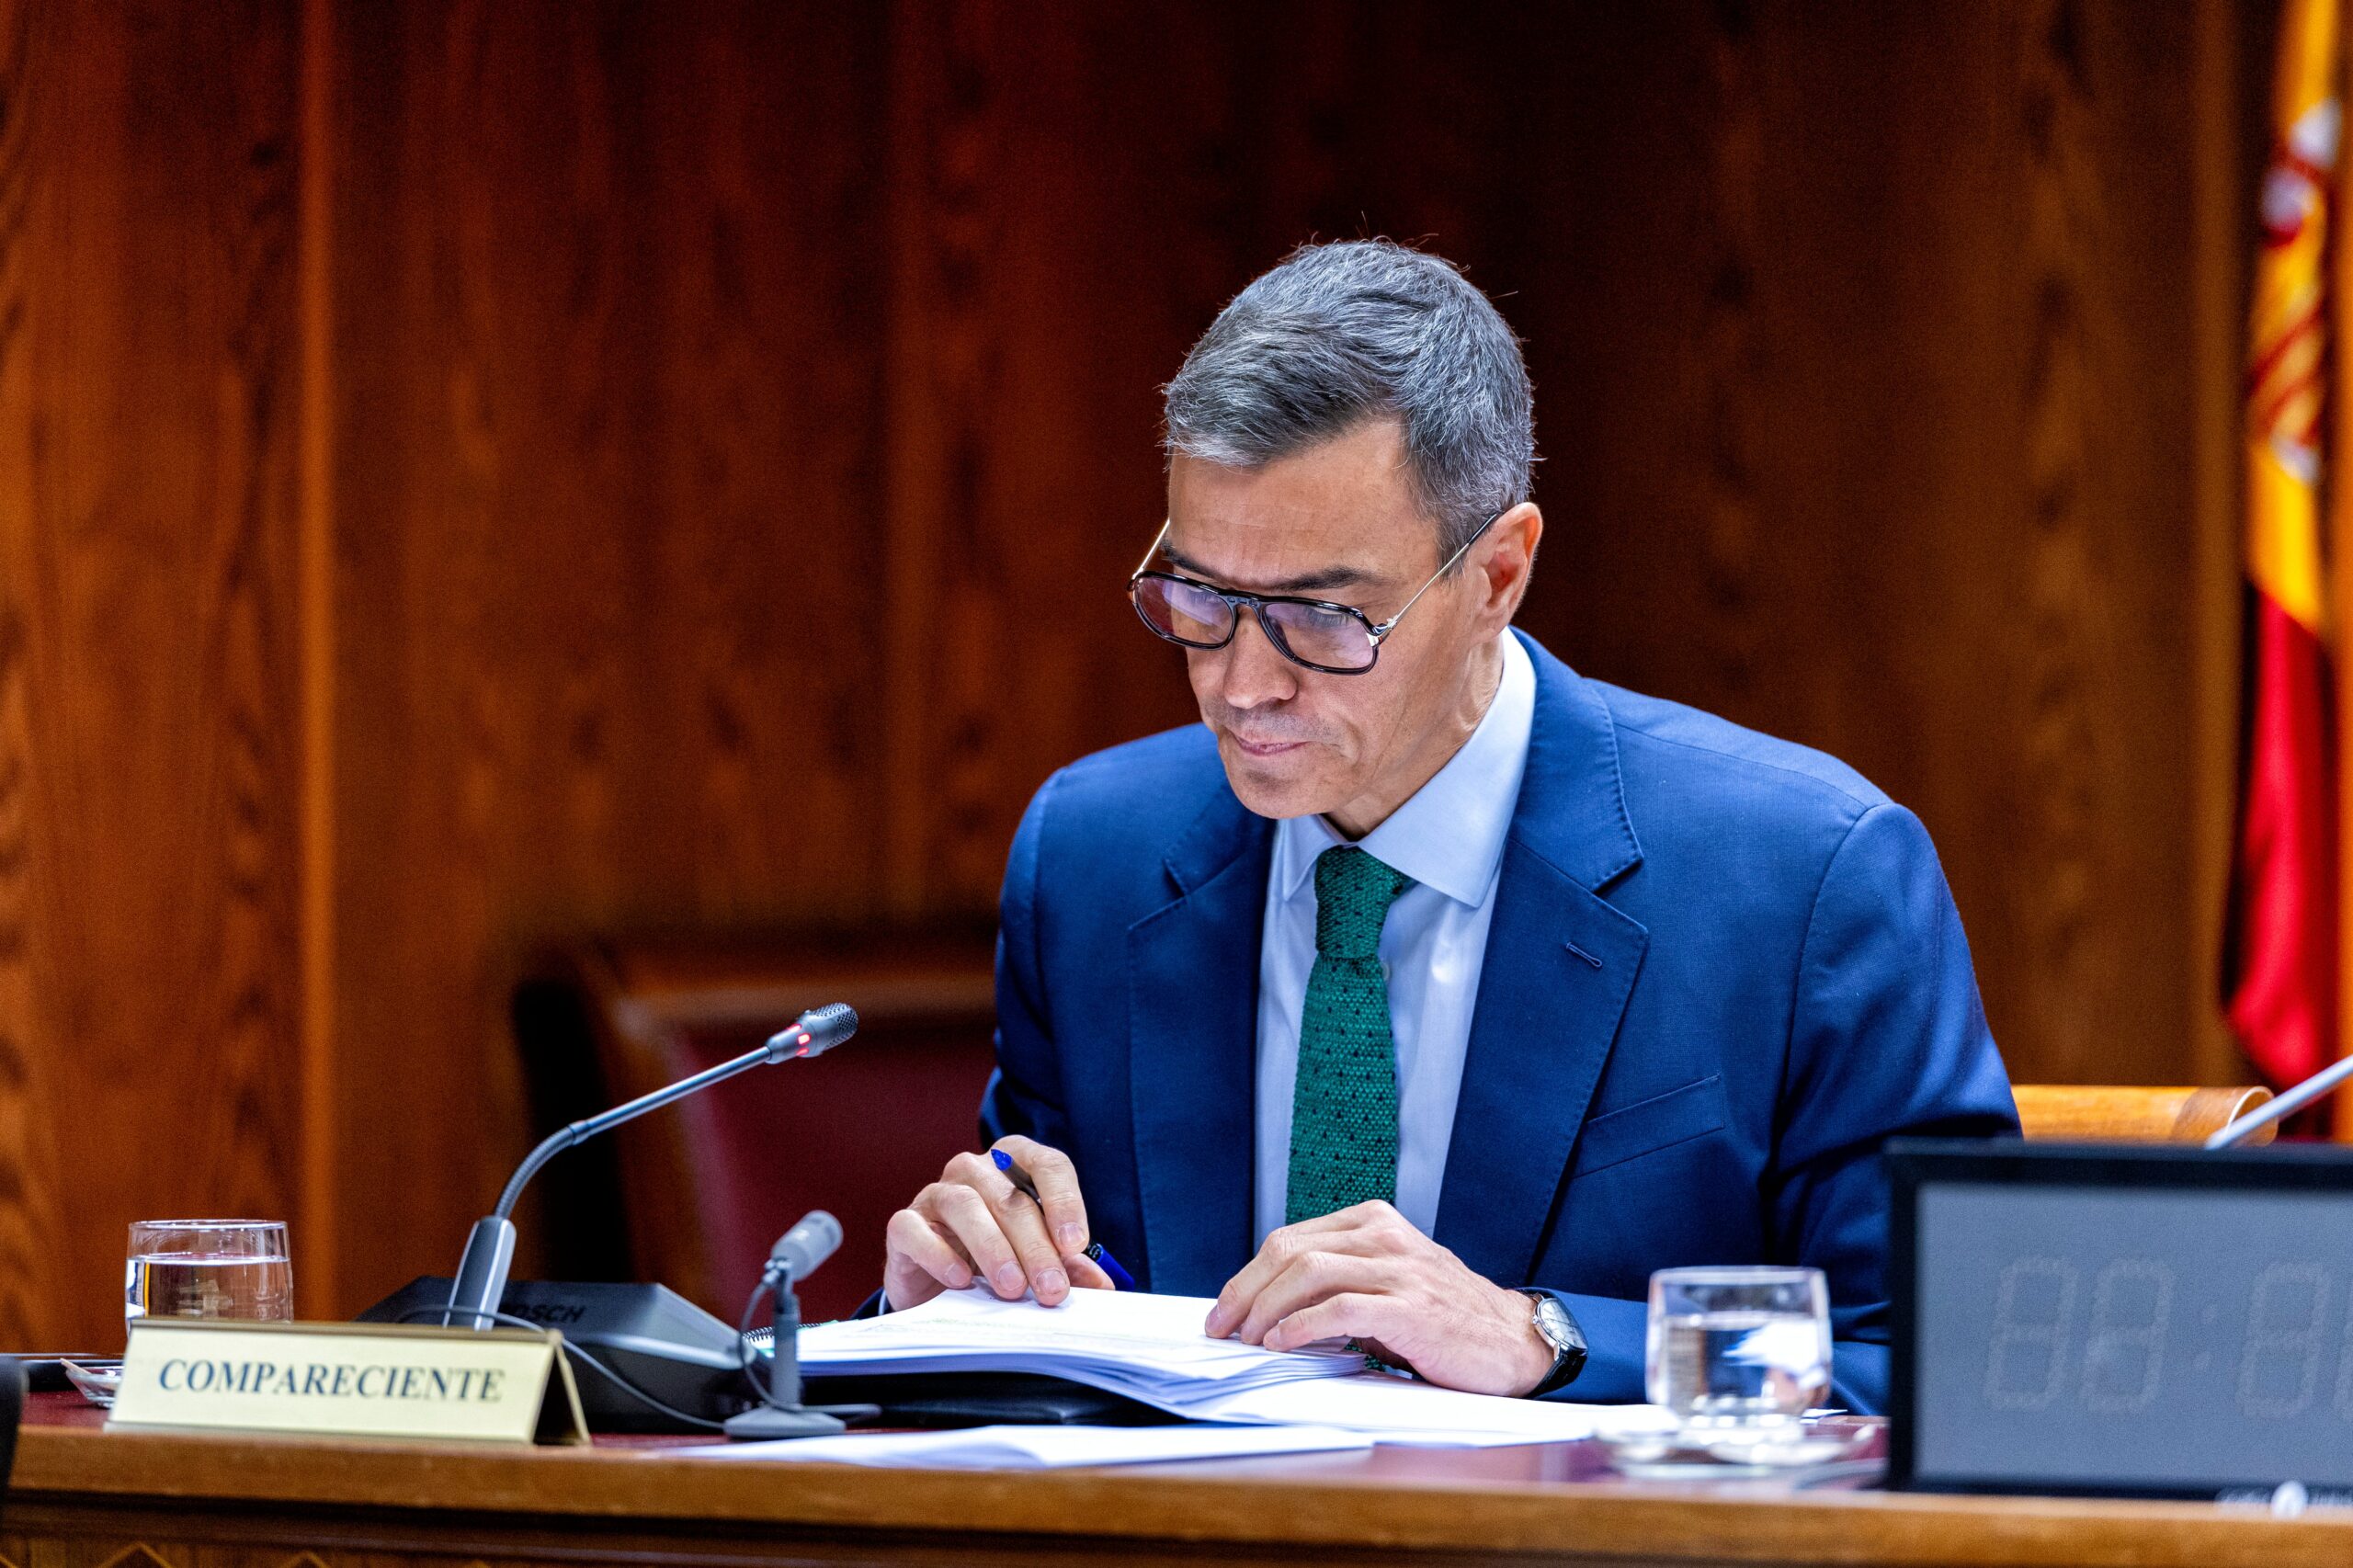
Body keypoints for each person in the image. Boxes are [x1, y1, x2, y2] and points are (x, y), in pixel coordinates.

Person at [881, 239, 2016, 1412]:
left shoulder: (1804, 880)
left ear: (1497, 574)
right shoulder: (1091, 857)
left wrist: (1552, 1339)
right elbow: (1077, 1323)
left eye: (1324, 615)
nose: (1241, 684)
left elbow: (1948, 1364)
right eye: (1200, 597)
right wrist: (947, 1314)